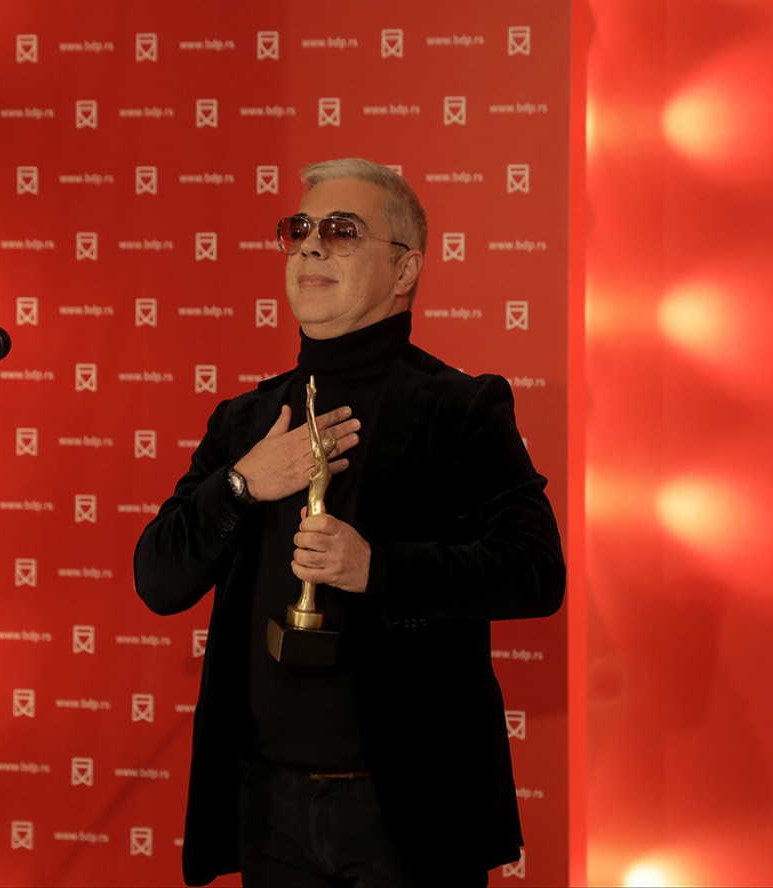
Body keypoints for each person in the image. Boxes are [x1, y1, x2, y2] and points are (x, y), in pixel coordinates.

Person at [134, 158, 565, 887]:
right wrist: (243, 484)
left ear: (405, 270)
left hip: (408, 808)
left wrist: (377, 569)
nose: (310, 245)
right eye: (299, 229)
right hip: (266, 805)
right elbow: (158, 578)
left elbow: (535, 572)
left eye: (342, 231)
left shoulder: (459, 408)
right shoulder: (244, 421)